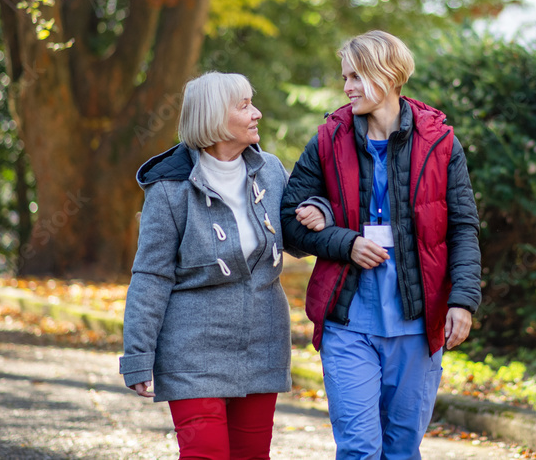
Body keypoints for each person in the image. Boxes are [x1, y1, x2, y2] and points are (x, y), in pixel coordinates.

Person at [281, 31, 482, 460]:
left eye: (356, 76)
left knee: (402, 449)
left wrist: (463, 301)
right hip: (347, 320)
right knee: (358, 448)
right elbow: (288, 221)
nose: (347, 87)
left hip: (418, 323)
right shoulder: (328, 139)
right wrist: (344, 242)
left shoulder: (441, 143)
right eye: (345, 77)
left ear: (388, 75)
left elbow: (463, 227)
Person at [120, 71, 328, 460]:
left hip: (262, 343)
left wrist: (319, 210)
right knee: (206, 454)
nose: (257, 113)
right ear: (215, 117)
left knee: (252, 455)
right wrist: (138, 355)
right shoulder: (169, 189)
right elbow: (151, 276)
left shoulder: (269, 170)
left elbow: (297, 237)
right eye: (244, 105)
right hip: (192, 349)